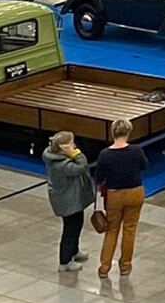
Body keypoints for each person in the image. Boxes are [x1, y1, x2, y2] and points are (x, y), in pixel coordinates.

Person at [91, 118, 148, 279]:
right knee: (130, 229)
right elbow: (145, 165)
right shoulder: (136, 150)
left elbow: (98, 177)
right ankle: (125, 265)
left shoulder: (105, 154)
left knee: (112, 230)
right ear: (128, 132)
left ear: (112, 133)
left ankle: (104, 267)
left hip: (115, 195)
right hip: (135, 193)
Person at [42, 131, 95, 272]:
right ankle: (65, 261)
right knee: (70, 229)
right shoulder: (61, 165)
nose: (74, 146)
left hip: (72, 198)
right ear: (64, 147)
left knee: (77, 224)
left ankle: (74, 251)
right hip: (67, 201)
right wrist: (76, 153)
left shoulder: (57, 157)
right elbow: (82, 167)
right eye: (72, 144)